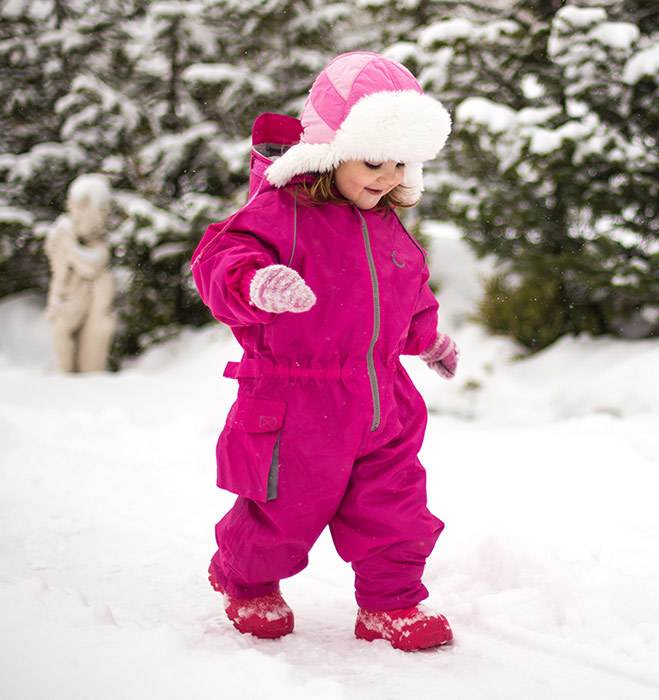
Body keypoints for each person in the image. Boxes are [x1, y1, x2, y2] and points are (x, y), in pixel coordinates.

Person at [191, 52, 458, 651]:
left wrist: (427, 338)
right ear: (330, 148)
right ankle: (247, 581)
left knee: (396, 509)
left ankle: (391, 603)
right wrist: (257, 284)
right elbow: (219, 260)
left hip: (382, 402)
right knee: (282, 509)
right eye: (373, 160)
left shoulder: (388, 226)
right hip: (294, 398)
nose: (387, 176)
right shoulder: (281, 211)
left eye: (400, 163)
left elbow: (407, 292)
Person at [44, 174, 116, 373]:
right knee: (61, 333)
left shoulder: (98, 244)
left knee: (73, 338)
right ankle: (64, 375)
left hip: (83, 301)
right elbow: (58, 267)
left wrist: (70, 250)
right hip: (66, 298)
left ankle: (72, 377)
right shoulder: (66, 231)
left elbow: (91, 267)